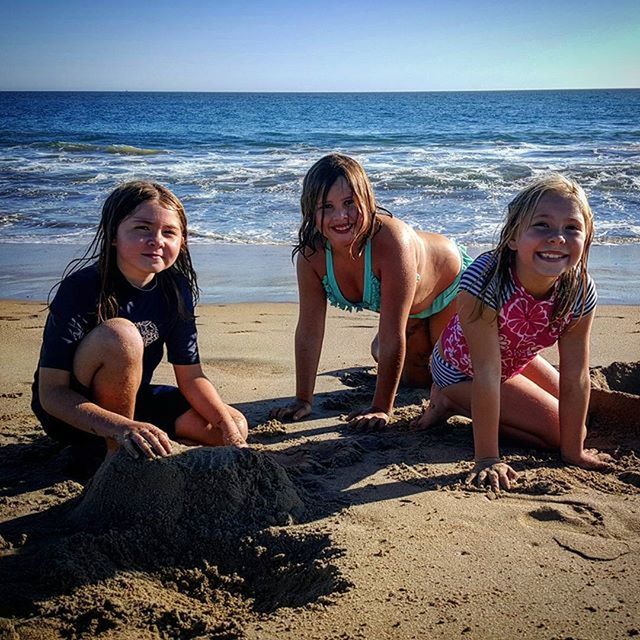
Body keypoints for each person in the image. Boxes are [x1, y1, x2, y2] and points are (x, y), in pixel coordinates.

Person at [412, 174, 612, 491]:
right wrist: (487, 459)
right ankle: (449, 400)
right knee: (556, 433)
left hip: (514, 359)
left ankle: (469, 406)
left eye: (572, 228)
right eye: (542, 225)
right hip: (461, 370)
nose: (558, 238)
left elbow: (577, 376)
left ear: (586, 239)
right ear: (513, 237)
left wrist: (575, 453)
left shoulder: (580, 290)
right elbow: (487, 372)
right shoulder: (486, 278)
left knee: (577, 429)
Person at [32, 181, 247, 465]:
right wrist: (120, 427)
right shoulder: (81, 288)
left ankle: (141, 446)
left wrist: (232, 435)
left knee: (230, 422)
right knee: (121, 335)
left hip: (132, 400)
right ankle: (116, 458)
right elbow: (52, 394)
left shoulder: (176, 289)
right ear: (113, 235)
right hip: (75, 414)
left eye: (169, 232)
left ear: (182, 242)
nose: (156, 240)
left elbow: (192, 377)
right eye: (142, 228)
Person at [271, 153, 472, 428]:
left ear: (368, 201)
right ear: (310, 210)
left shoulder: (391, 241)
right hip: (410, 308)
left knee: (448, 375)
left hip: (451, 288)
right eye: (326, 206)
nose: (340, 216)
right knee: (409, 373)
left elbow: (393, 333)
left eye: (349, 203)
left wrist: (381, 408)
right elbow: (309, 329)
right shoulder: (312, 255)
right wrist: (303, 399)